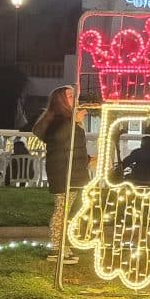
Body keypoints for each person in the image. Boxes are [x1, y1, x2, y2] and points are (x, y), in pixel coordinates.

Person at [31, 85, 91, 263]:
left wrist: (87, 160)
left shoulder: (67, 120)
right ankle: (56, 249)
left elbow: (68, 148)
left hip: (73, 172)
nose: (75, 98)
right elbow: (59, 139)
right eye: (70, 96)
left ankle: (64, 245)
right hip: (64, 173)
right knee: (62, 210)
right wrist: (74, 121)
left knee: (70, 210)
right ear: (61, 101)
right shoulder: (61, 121)